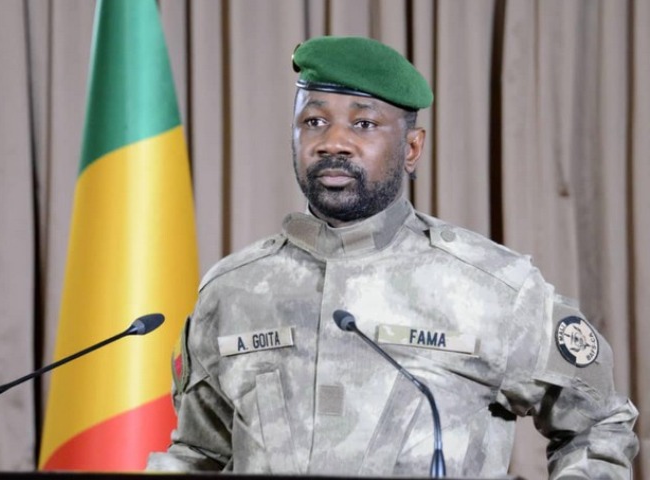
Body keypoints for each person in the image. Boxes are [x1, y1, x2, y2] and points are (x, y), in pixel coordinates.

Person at [147, 36, 638, 477]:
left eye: (363, 123)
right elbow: (199, 453)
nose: (333, 142)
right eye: (314, 121)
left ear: (411, 148)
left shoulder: (496, 287)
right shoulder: (233, 291)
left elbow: (599, 427)